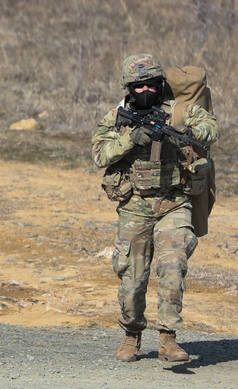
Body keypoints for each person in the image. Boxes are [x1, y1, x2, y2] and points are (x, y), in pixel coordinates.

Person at [91, 53, 218, 363]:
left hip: (174, 203)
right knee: (133, 280)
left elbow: (211, 127)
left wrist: (189, 134)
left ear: (161, 85)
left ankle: (168, 339)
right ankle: (131, 335)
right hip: (134, 206)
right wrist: (132, 138)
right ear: (128, 89)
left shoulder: (178, 112)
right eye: (138, 87)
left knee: (173, 266)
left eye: (151, 85)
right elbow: (99, 154)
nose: (146, 91)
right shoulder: (116, 117)